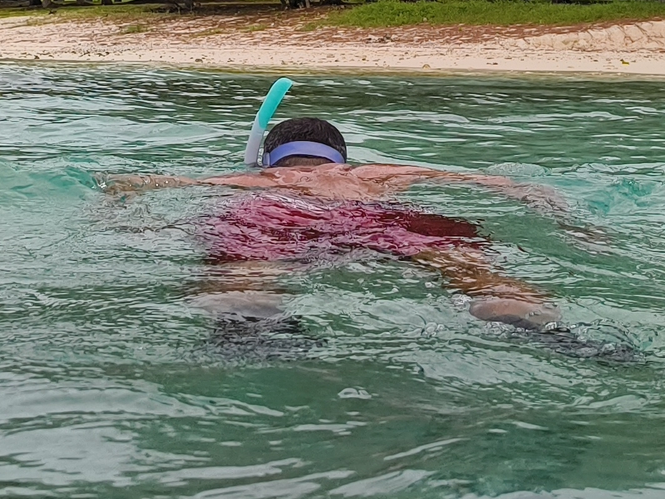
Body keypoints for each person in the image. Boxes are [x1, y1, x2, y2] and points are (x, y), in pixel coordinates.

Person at [105, 110, 575, 334]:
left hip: (281, 216)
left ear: (269, 160)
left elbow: (130, 184)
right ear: (342, 158)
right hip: (378, 218)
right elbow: (515, 186)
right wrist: (574, 225)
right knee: (474, 272)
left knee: (243, 275)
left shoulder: (257, 181)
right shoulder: (376, 173)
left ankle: (254, 328)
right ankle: (541, 326)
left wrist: (120, 217)